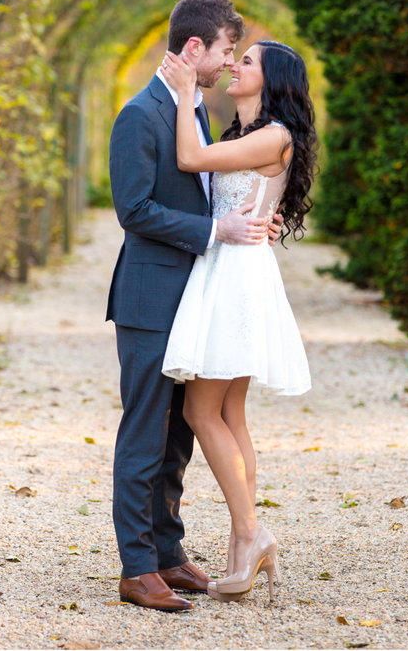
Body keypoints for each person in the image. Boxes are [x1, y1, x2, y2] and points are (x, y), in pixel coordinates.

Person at [106, 0, 262, 612]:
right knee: (144, 433)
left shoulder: (192, 111)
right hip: (148, 299)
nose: (230, 62)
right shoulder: (139, 115)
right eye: (226, 49)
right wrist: (212, 233)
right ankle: (136, 568)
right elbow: (133, 209)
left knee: (177, 438)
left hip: (193, 300)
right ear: (194, 47)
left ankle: (168, 554)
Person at [157, 36, 317, 603]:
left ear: (270, 80)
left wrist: (181, 94)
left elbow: (189, 160)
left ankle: (251, 533)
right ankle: (241, 542)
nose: (234, 66)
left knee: (203, 410)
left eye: (246, 62)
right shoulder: (249, 136)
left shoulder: (273, 135)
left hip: (235, 277)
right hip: (235, 269)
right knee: (230, 411)